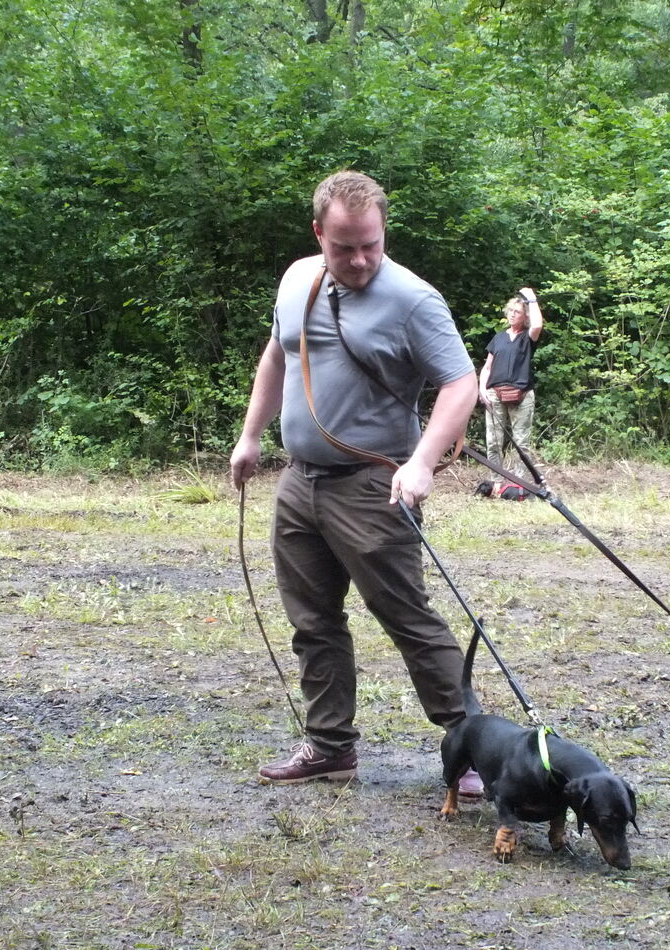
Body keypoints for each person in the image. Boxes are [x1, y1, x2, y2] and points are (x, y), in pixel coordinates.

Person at [229, 171, 484, 790]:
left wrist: (422, 462)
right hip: (300, 483)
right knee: (312, 621)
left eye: (371, 243)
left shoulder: (413, 299)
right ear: (319, 234)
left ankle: (474, 751)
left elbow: (460, 384)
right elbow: (278, 353)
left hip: (373, 487)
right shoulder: (296, 281)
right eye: (344, 247)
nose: (361, 258)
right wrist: (251, 434)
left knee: (408, 620)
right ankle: (329, 746)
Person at [477, 288, 544, 490]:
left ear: (525, 316)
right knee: (493, 442)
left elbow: (538, 324)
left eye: (517, 311)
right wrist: (482, 389)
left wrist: (531, 299)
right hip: (494, 394)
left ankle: (519, 483)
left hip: (522, 395)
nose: (512, 314)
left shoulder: (528, 336)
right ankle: (496, 482)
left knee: (521, 443)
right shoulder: (498, 338)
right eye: (511, 310)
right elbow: (487, 367)